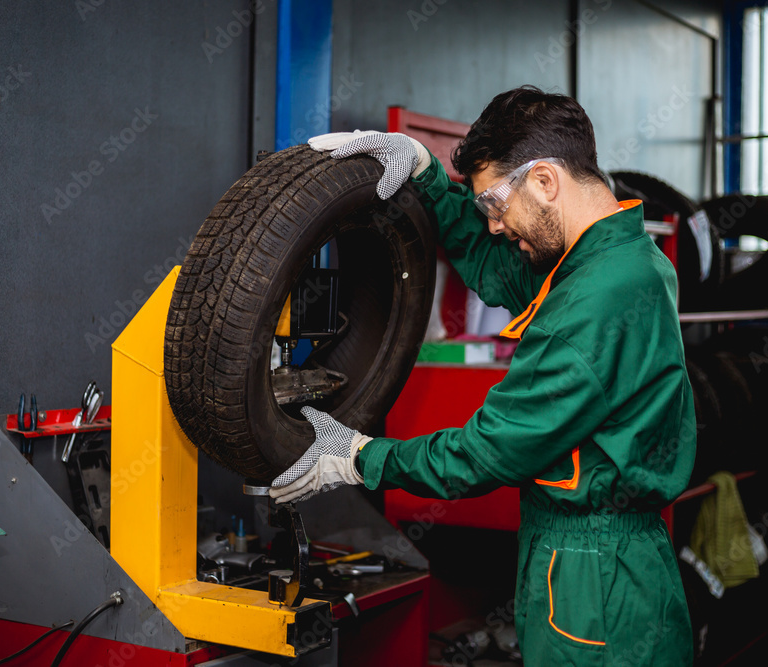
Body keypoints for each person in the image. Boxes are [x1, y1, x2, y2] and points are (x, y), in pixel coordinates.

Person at [270, 85, 696, 666]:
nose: (493, 225)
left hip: (594, 580)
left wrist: (359, 458)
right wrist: (424, 174)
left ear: (545, 181)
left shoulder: (591, 305)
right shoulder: (617, 261)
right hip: (600, 562)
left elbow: (487, 451)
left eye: (495, 203)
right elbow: (498, 273)